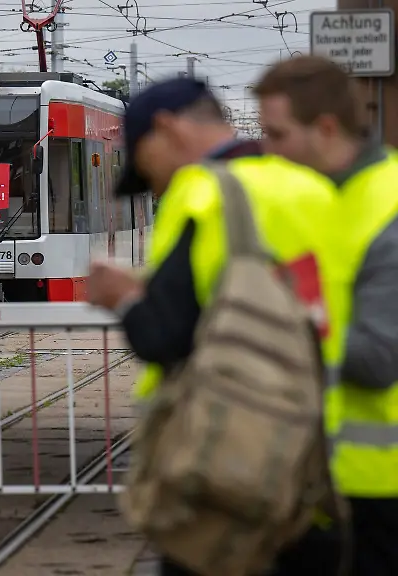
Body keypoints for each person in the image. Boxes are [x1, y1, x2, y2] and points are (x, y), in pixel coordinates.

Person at [86, 77, 341, 575]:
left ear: (166, 129)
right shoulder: (313, 188)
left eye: (145, 168)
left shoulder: (201, 193)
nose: (154, 186)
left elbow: (162, 337)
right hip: (315, 457)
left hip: (230, 458)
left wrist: (124, 297)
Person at [254, 55, 398, 576]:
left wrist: (279, 317)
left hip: (377, 491)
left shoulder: (388, 206)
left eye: (277, 134)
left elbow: (381, 359)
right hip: (305, 478)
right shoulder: (306, 198)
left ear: (327, 129)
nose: (267, 151)